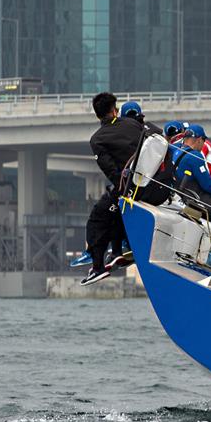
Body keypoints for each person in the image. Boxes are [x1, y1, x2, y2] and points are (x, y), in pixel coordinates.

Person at [81, 92, 144, 285]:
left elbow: (111, 170)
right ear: (114, 110)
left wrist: (121, 190)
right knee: (115, 210)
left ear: (97, 114)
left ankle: (97, 267)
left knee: (97, 219)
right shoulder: (133, 124)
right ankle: (119, 251)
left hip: (131, 188)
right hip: (152, 184)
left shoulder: (97, 139)